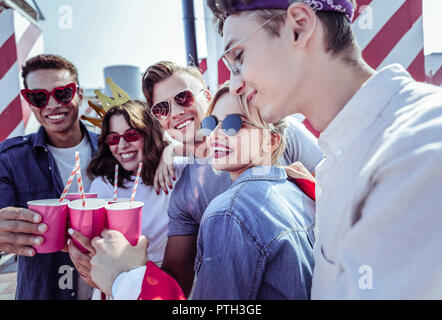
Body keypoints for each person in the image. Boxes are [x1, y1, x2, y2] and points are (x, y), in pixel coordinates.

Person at [207, 0, 442, 299]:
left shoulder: (415, 149)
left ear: (299, 27)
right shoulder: (340, 158)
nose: (235, 84)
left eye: (238, 57)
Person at [90, 83, 316, 299]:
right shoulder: (295, 188)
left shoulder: (227, 213)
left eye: (233, 124)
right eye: (211, 123)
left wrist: (125, 278)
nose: (216, 134)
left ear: (271, 141)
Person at [140, 61, 323, 296]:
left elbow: (338, 182)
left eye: (183, 98)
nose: (175, 113)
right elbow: (177, 279)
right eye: (162, 109)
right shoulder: (184, 193)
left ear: (206, 95)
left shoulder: (276, 130)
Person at [0, 54, 99, 299]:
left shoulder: (113, 149)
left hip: (109, 291)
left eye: (62, 93)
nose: (51, 105)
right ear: (29, 102)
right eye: (38, 97)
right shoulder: (9, 160)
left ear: (79, 94)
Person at [67, 100, 188, 296]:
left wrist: (170, 150)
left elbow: (208, 153)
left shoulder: (177, 170)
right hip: (116, 284)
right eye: (113, 139)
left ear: (149, 134)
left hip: (167, 283)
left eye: (131, 135)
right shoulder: (104, 185)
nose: (122, 146)